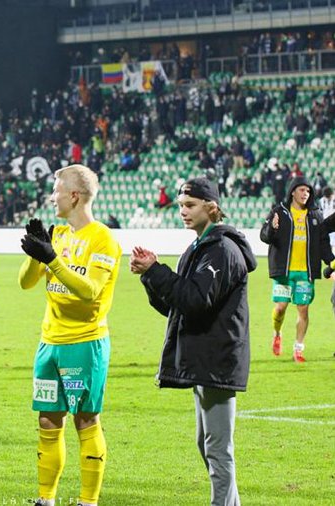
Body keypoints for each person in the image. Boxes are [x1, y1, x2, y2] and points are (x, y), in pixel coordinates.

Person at [130, 177, 254, 506]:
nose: (182, 211)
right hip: (205, 357)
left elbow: (196, 299)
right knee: (207, 444)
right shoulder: (198, 248)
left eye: (190, 205)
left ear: (211, 208)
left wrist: (157, 270)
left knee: (217, 449)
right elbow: (175, 306)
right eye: (181, 205)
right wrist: (149, 274)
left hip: (217, 357)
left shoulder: (222, 250)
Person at [17, 164, 121, 506]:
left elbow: (90, 290)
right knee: (48, 420)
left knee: (85, 419)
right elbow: (26, 282)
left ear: (74, 195)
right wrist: (38, 253)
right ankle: (45, 499)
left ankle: (87, 502)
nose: (52, 197)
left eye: (57, 190)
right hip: (49, 344)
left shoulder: (102, 238)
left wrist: (53, 261)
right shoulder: (58, 234)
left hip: (84, 344)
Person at [260, 177, 334, 363]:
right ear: (292, 191)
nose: (305, 194)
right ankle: (277, 334)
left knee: (303, 310)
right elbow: (264, 236)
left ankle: (298, 348)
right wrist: (271, 228)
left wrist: (331, 263)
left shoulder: (315, 215)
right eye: (301, 190)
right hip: (283, 271)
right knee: (280, 308)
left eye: (307, 191)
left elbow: (323, 242)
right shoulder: (280, 212)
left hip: (305, 272)